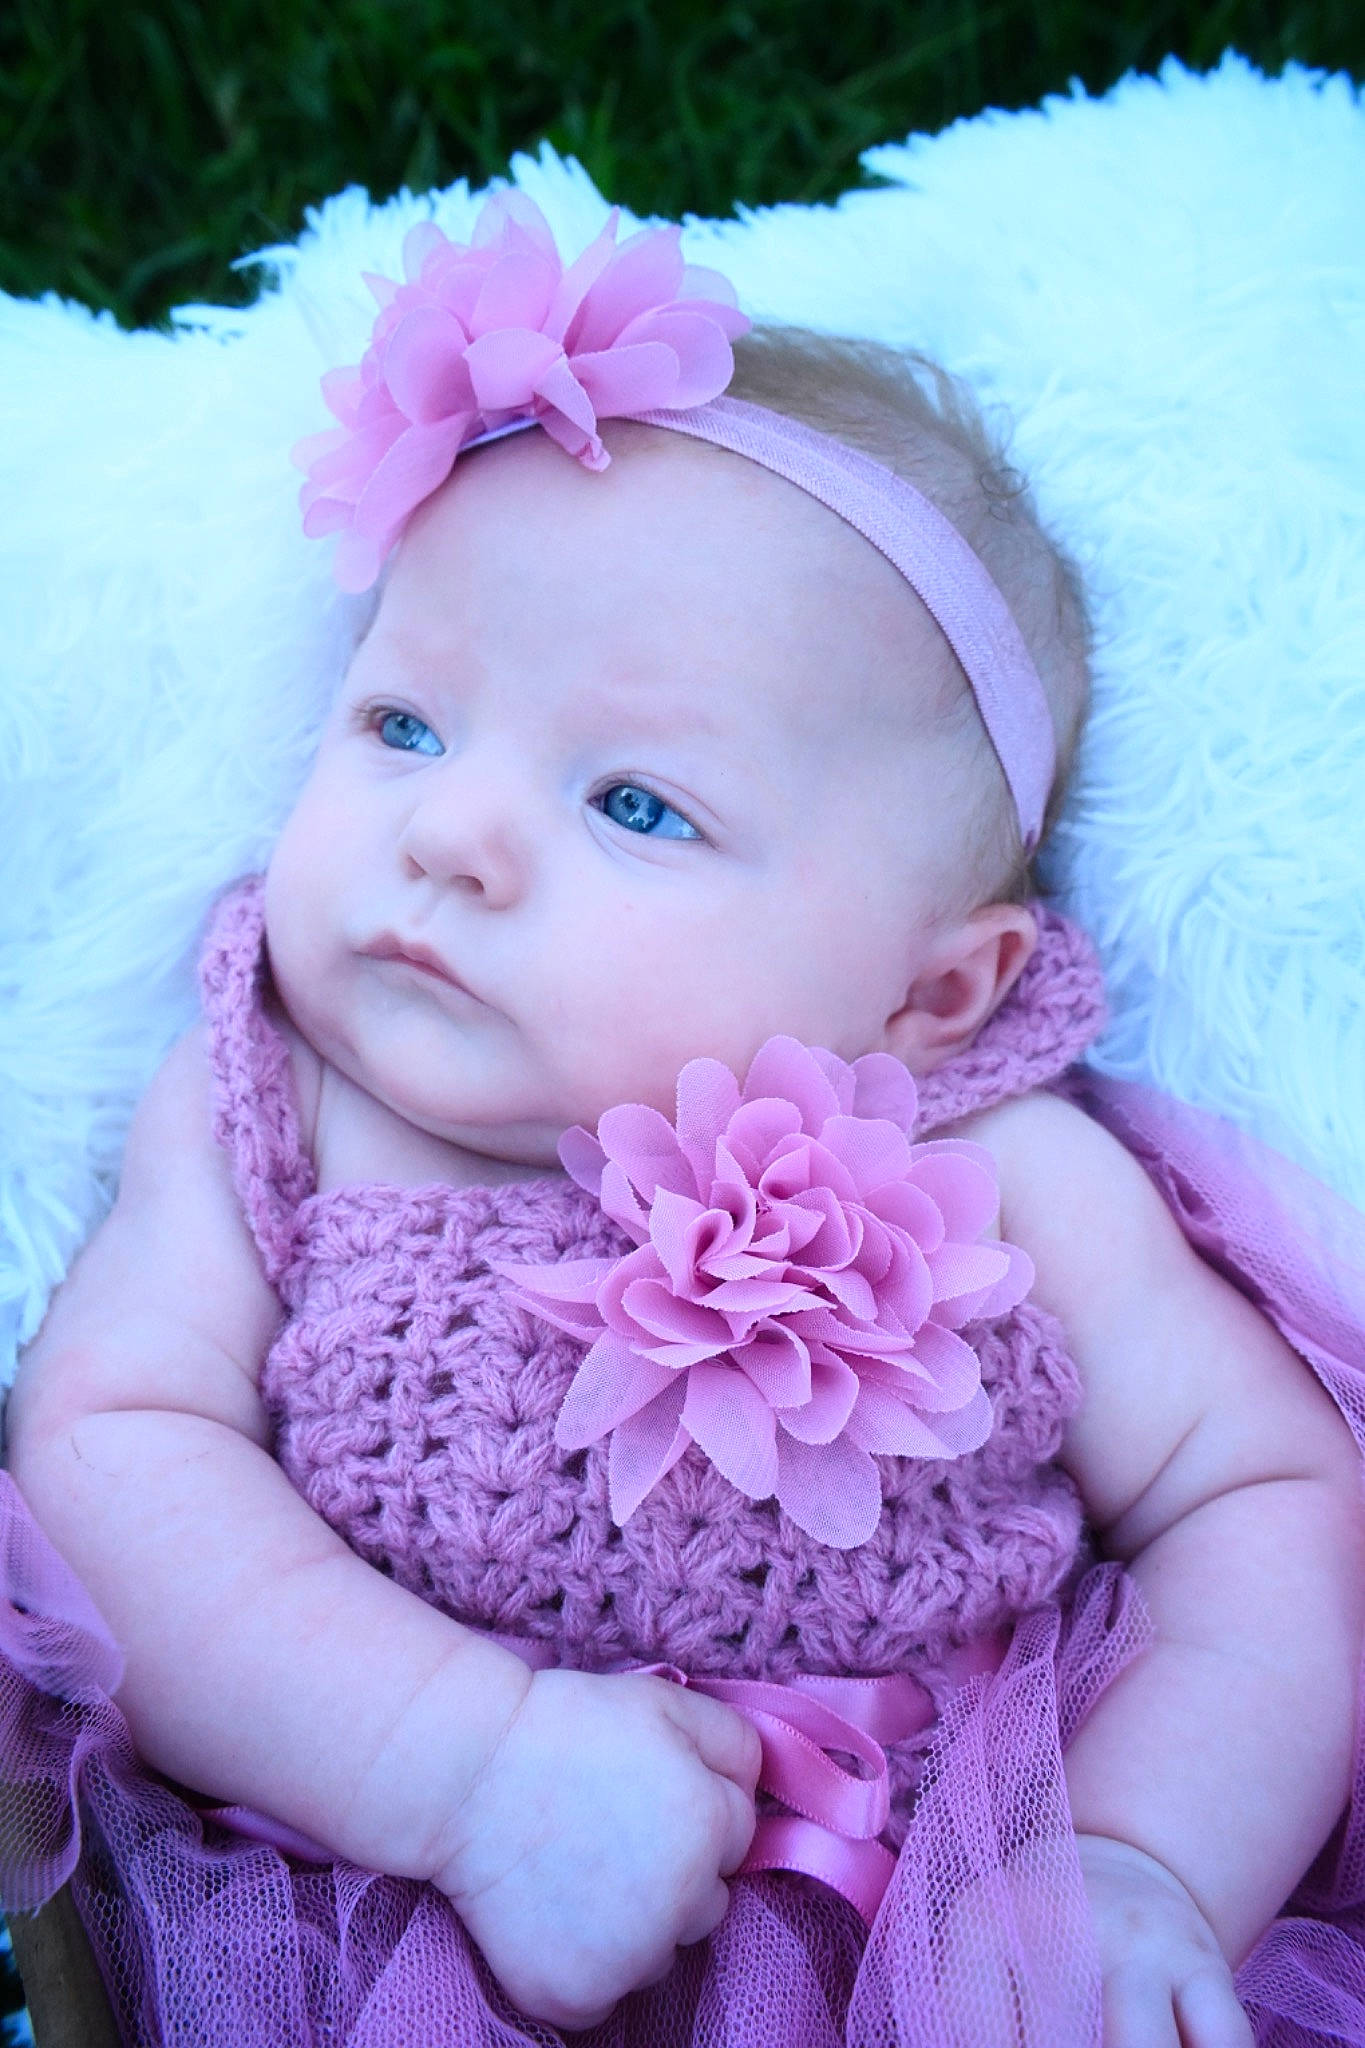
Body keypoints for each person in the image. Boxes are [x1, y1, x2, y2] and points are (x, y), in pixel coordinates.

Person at [2, 189, 1364, 2048]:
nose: (449, 834)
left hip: (933, 1932)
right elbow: (104, 1456)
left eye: (635, 803)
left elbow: (1266, 1500)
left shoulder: (1003, 1170)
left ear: (930, 990)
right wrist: (457, 1766)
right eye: (402, 722)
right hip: (386, 1905)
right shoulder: (282, 1103)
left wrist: (1136, 1861)